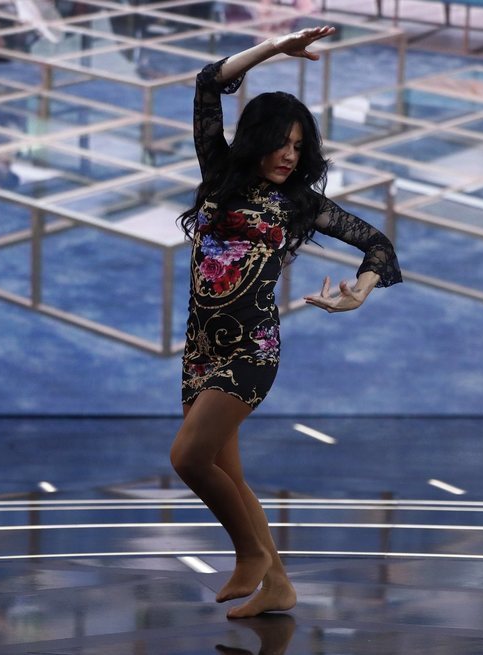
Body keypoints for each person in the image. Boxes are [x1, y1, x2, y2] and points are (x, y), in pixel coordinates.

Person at [170, 26, 402, 619]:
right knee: (227, 473)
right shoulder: (221, 176)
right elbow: (207, 84)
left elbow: (377, 245)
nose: (288, 155)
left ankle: (250, 556)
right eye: (280, 143)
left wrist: (360, 293)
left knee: (189, 459)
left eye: (298, 146)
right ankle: (278, 585)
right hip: (201, 349)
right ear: (257, 142)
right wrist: (274, 49)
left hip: (252, 350)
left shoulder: (302, 204)